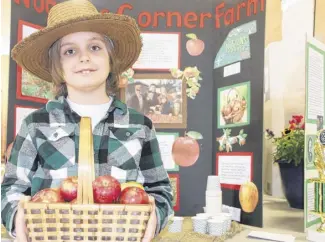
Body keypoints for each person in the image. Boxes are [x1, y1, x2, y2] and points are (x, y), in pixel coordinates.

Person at [1, 1, 174, 241]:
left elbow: (160, 189)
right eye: (69, 51)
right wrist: (16, 218)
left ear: (111, 59)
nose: (84, 57)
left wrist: (155, 216)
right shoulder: (35, 124)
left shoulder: (140, 125)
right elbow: (12, 188)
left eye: (95, 47)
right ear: (57, 67)